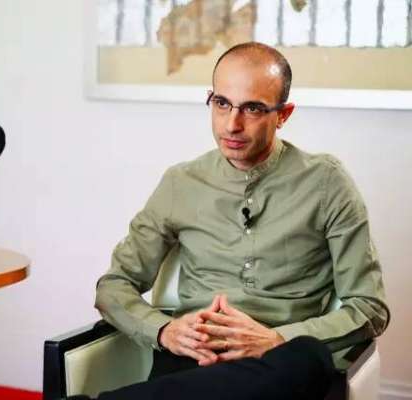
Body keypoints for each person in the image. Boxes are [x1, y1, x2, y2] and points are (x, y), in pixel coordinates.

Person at [82, 42, 390, 400]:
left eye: (253, 108)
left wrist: (276, 338)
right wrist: (164, 330)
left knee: (308, 356)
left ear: (284, 114)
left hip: (278, 364)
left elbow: (369, 307)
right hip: (194, 358)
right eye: (222, 103)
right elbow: (114, 285)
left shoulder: (327, 183)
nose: (232, 124)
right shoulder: (181, 183)